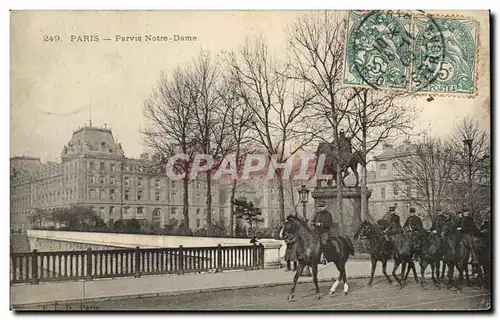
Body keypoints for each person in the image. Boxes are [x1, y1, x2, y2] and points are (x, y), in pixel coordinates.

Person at [311, 200, 334, 265]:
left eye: (321, 207)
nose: (319, 208)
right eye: (319, 207)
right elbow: (313, 221)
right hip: (316, 231)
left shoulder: (328, 214)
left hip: (325, 232)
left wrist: (321, 224)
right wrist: (312, 223)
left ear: (325, 207)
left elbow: (329, 224)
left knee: (324, 243)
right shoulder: (317, 214)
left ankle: (324, 258)